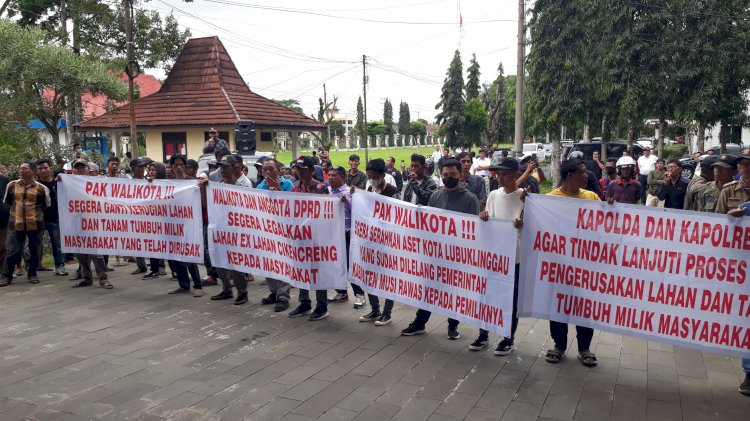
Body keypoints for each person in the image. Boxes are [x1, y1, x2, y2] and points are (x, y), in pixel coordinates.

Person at [401, 158, 479, 339]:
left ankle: (453, 325)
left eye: (452, 175)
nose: (448, 178)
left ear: (461, 175)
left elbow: (474, 231)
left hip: (457, 256)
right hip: (436, 254)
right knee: (429, 289)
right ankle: (419, 323)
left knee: (454, 292)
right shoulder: (436, 196)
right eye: (445, 175)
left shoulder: (470, 200)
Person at [545, 158, 599, 366]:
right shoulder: (550, 199)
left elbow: (603, 225)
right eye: (583, 173)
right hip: (559, 266)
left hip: (585, 266)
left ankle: (584, 348)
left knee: (584, 308)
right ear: (570, 176)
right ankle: (559, 346)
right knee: (558, 306)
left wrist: (610, 209)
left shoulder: (592, 197)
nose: (587, 176)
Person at [470, 157, 525, 355]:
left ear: (514, 175)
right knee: (487, 297)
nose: (499, 178)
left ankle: (508, 338)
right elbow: (488, 219)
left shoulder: (525, 196)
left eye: (504, 174)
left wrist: (523, 226)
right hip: (494, 257)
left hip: (516, 257)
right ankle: (483, 334)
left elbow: (534, 227)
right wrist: (483, 216)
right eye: (497, 174)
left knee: (511, 299)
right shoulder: (493, 195)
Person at [711, 154, 750, 395]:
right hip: (740, 264)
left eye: (748, 166)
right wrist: (731, 219)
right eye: (741, 166)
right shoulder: (729, 190)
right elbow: (716, 224)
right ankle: (749, 372)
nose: (744, 169)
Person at [358, 159, 400, 326]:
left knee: (388, 278)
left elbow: (398, 215)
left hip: (387, 242)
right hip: (370, 241)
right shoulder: (368, 189)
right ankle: (375, 309)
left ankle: (387, 313)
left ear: (383, 175)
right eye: (369, 176)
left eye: (374, 176)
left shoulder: (392, 191)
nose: (371, 179)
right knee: (368, 275)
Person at [289, 156, 331, 320]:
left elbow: (329, 211)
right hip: (301, 237)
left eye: (302, 169)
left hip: (318, 238)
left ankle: (322, 306)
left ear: (311, 171)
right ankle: (304, 303)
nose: (299, 172)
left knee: (318, 271)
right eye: (297, 169)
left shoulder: (321, 188)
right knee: (301, 269)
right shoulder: (295, 189)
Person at [208, 156, 251, 305]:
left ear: (234, 168)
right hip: (220, 229)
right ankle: (227, 288)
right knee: (219, 260)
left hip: (235, 231)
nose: (223, 170)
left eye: (226, 167)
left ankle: (242, 292)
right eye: (221, 167)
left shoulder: (240, 186)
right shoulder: (217, 185)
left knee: (235, 264)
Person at [0, 162, 50, 287]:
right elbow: (7, 203)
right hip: (15, 223)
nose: (22, 171)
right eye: (20, 169)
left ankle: (32, 274)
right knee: (12, 250)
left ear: (33, 171)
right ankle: (7, 276)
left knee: (34, 250)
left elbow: (45, 205)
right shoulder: (11, 185)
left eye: (25, 169)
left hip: (35, 224)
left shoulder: (41, 188)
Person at [66, 159, 112, 289]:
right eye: (77, 167)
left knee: (96, 252)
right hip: (75, 221)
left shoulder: (97, 182)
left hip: (92, 222)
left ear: (88, 168)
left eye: (82, 167)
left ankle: (103, 278)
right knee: (80, 252)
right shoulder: (68, 183)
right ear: (73, 170)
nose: (80, 169)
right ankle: (86, 278)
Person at [255, 158, 293, 312]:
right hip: (267, 229)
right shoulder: (260, 187)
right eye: (265, 169)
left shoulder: (288, 185)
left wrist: (279, 191)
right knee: (269, 262)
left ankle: (283, 297)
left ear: (279, 169)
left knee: (283, 263)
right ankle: (274, 292)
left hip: (284, 229)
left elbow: (294, 206)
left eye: (271, 169)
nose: (268, 172)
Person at [326, 165, 366, 308]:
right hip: (332, 233)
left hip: (347, 233)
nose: (330, 178)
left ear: (342, 176)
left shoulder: (351, 192)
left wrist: (347, 202)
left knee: (350, 265)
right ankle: (341, 292)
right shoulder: (328, 191)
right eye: (329, 175)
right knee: (336, 264)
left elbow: (357, 212)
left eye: (334, 175)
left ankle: (359, 294)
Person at [166, 155, 204, 297]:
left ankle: (198, 285)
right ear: (172, 167)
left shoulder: (192, 182)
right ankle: (183, 285)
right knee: (176, 256)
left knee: (189, 255)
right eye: (176, 165)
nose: (179, 167)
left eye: (182, 164)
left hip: (189, 223)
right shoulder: (169, 183)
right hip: (174, 224)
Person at [35, 159, 66, 276]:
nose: (43, 170)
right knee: (35, 244)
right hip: (38, 219)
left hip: (55, 218)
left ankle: (60, 266)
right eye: (40, 169)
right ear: (36, 171)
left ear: (50, 168)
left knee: (57, 244)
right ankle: (33, 267)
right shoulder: (35, 186)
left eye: (45, 168)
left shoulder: (58, 183)